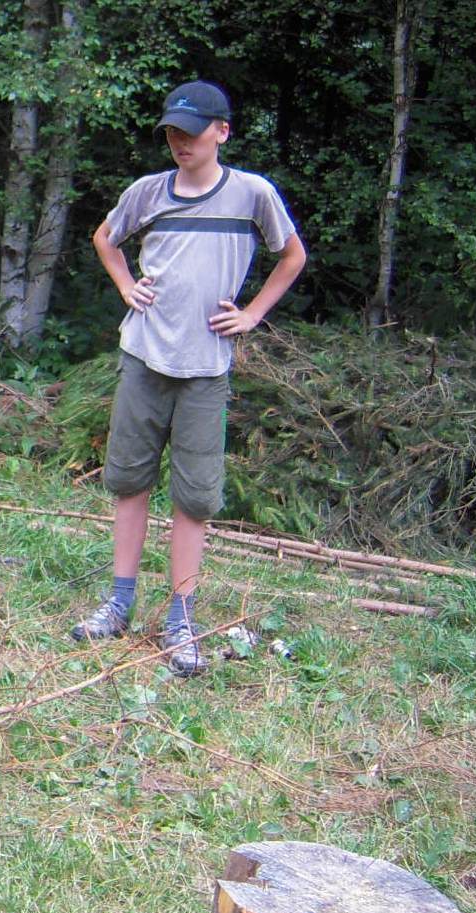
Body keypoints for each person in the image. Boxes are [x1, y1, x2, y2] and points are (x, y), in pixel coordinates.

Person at [71, 80, 306, 675]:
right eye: (173, 132)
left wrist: (252, 314)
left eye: (193, 132)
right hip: (144, 356)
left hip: (206, 369)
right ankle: (118, 605)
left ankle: (180, 619)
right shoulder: (147, 192)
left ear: (222, 132)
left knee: (195, 497)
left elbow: (292, 255)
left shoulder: (252, 194)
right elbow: (105, 238)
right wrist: (126, 285)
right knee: (129, 482)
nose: (181, 142)